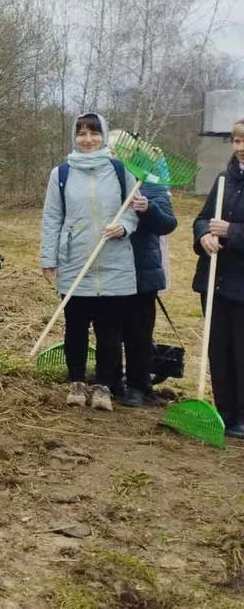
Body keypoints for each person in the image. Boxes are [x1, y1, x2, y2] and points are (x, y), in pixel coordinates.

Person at [40, 112, 138, 411]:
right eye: (82, 133)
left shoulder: (122, 171)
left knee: (110, 330)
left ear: (103, 136)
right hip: (75, 262)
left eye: (94, 133)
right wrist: (49, 256)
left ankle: (103, 386)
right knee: (76, 326)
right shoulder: (62, 173)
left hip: (115, 261)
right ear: (75, 137)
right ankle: (77, 383)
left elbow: (132, 210)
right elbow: (52, 217)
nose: (88, 139)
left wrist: (125, 226)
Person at [108, 130, 177, 407]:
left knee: (138, 331)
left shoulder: (151, 183)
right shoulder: (102, 181)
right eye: (110, 152)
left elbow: (167, 223)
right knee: (110, 329)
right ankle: (111, 381)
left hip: (141, 269)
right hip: (110, 267)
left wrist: (147, 209)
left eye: (119, 152)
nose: (114, 157)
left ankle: (138, 385)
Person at [192, 118, 244, 438]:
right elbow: (202, 219)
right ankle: (224, 413)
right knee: (219, 350)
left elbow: (227, 227)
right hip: (215, 281)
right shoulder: (225, 179)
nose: (240, 148)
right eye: (237, 141)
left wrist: (233, 232)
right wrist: (204, 238)